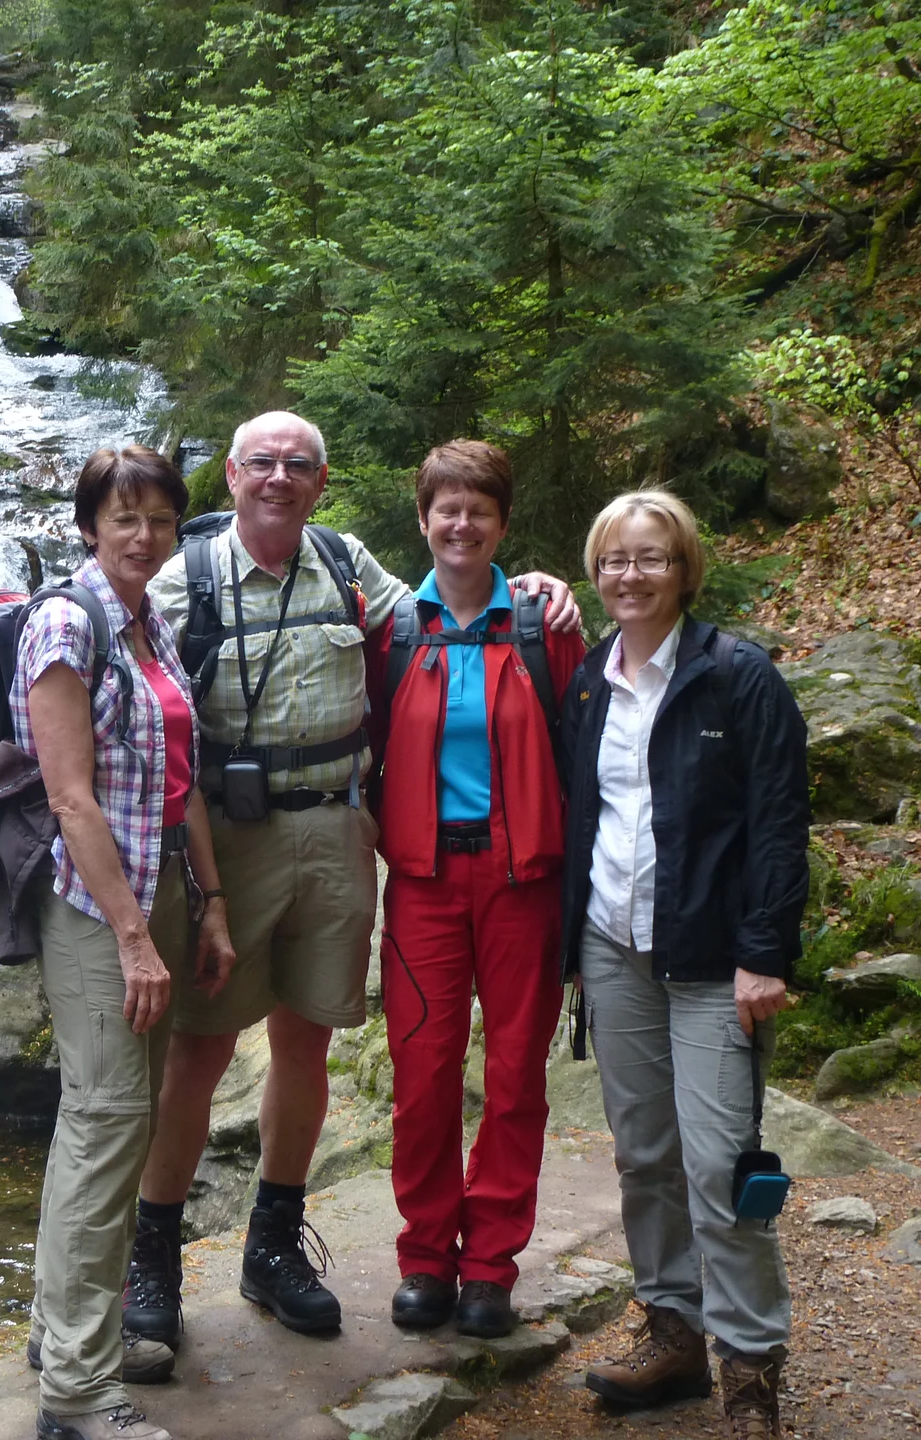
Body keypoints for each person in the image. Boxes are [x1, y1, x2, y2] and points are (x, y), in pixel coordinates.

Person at [130, 411, 580, 1344]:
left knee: (312, 1046)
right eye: (263, 462)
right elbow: (126, 674)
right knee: (205, 1053)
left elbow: (479, 621)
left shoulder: (357, 576)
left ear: (323, 479)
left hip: (354, 842)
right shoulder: (185, 581)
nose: (279, 478)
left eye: (298, 464)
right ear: (233, 472)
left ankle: (284, 1250)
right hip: (249, 846)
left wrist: (545, 584)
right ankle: (155, 1263)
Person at [561, 490, 808, 1440]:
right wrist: (572, 951)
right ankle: (672, 1333)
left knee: (718, 1163)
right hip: (612, 950)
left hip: (715, 962)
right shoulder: (590, 679)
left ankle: (750, 1368)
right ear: (597, 569)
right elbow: (589, 820)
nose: (633, 574)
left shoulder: (737, 676)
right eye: (616, 558)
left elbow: (781, 826)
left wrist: (764, 955)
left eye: (652, 557)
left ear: (684, 568)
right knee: (644, 1156)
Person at [15, 445, 236, 1440]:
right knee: (106, 1125)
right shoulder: (68, 621)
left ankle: (68, 1334)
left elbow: (175, 779)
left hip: (157, 903)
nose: (143, 534)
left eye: (159, 518)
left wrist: (214, 905)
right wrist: (138, 939)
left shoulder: (153, 622)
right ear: (89, 526)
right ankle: (77, 1393)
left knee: (107, 1127)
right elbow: (72, 797)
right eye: (124, 517)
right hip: (100, 915)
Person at [367, 441, 585, 1338]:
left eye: (479, 510)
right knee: (422, 1078)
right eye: (446, 509)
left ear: (503, 523)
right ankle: (425, 1256)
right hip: (421, 879)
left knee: (514, 1077)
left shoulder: (545, 627)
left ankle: (490, 1263)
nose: (462, 525)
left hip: (521, 878)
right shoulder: (390, 628)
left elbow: (590, 758)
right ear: (423, 520)